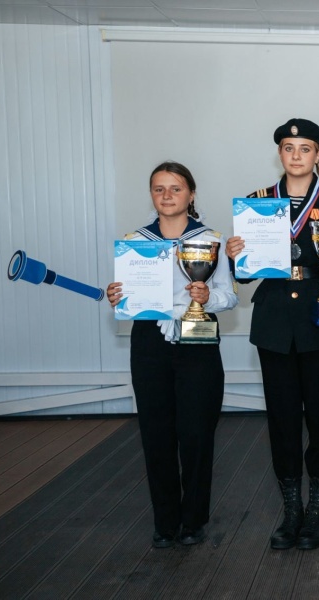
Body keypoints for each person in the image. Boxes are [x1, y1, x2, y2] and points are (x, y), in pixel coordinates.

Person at [225, 118, 319, 551]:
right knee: (282, 421)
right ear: (280, 153)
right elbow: (244, 275)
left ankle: (316, 512)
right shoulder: (256, 203)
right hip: (275, 321)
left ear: (317, 154)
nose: (296, 155)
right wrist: (234, 256)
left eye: (305, 148)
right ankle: (291, 511)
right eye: (289, 147)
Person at [106, 161, 238, 548]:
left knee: (196, 433)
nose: (167, 195)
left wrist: (207, 297)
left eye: (175, 188)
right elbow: (128, 297)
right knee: (156, 433)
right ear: (151, 194)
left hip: (198, 339)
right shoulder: (135, 242)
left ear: (191, 194)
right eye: (159, 189)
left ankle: (193, 520)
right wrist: (117, 296)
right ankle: (165, 522)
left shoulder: (211, 240)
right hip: (150, 342)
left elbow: (229, 297)